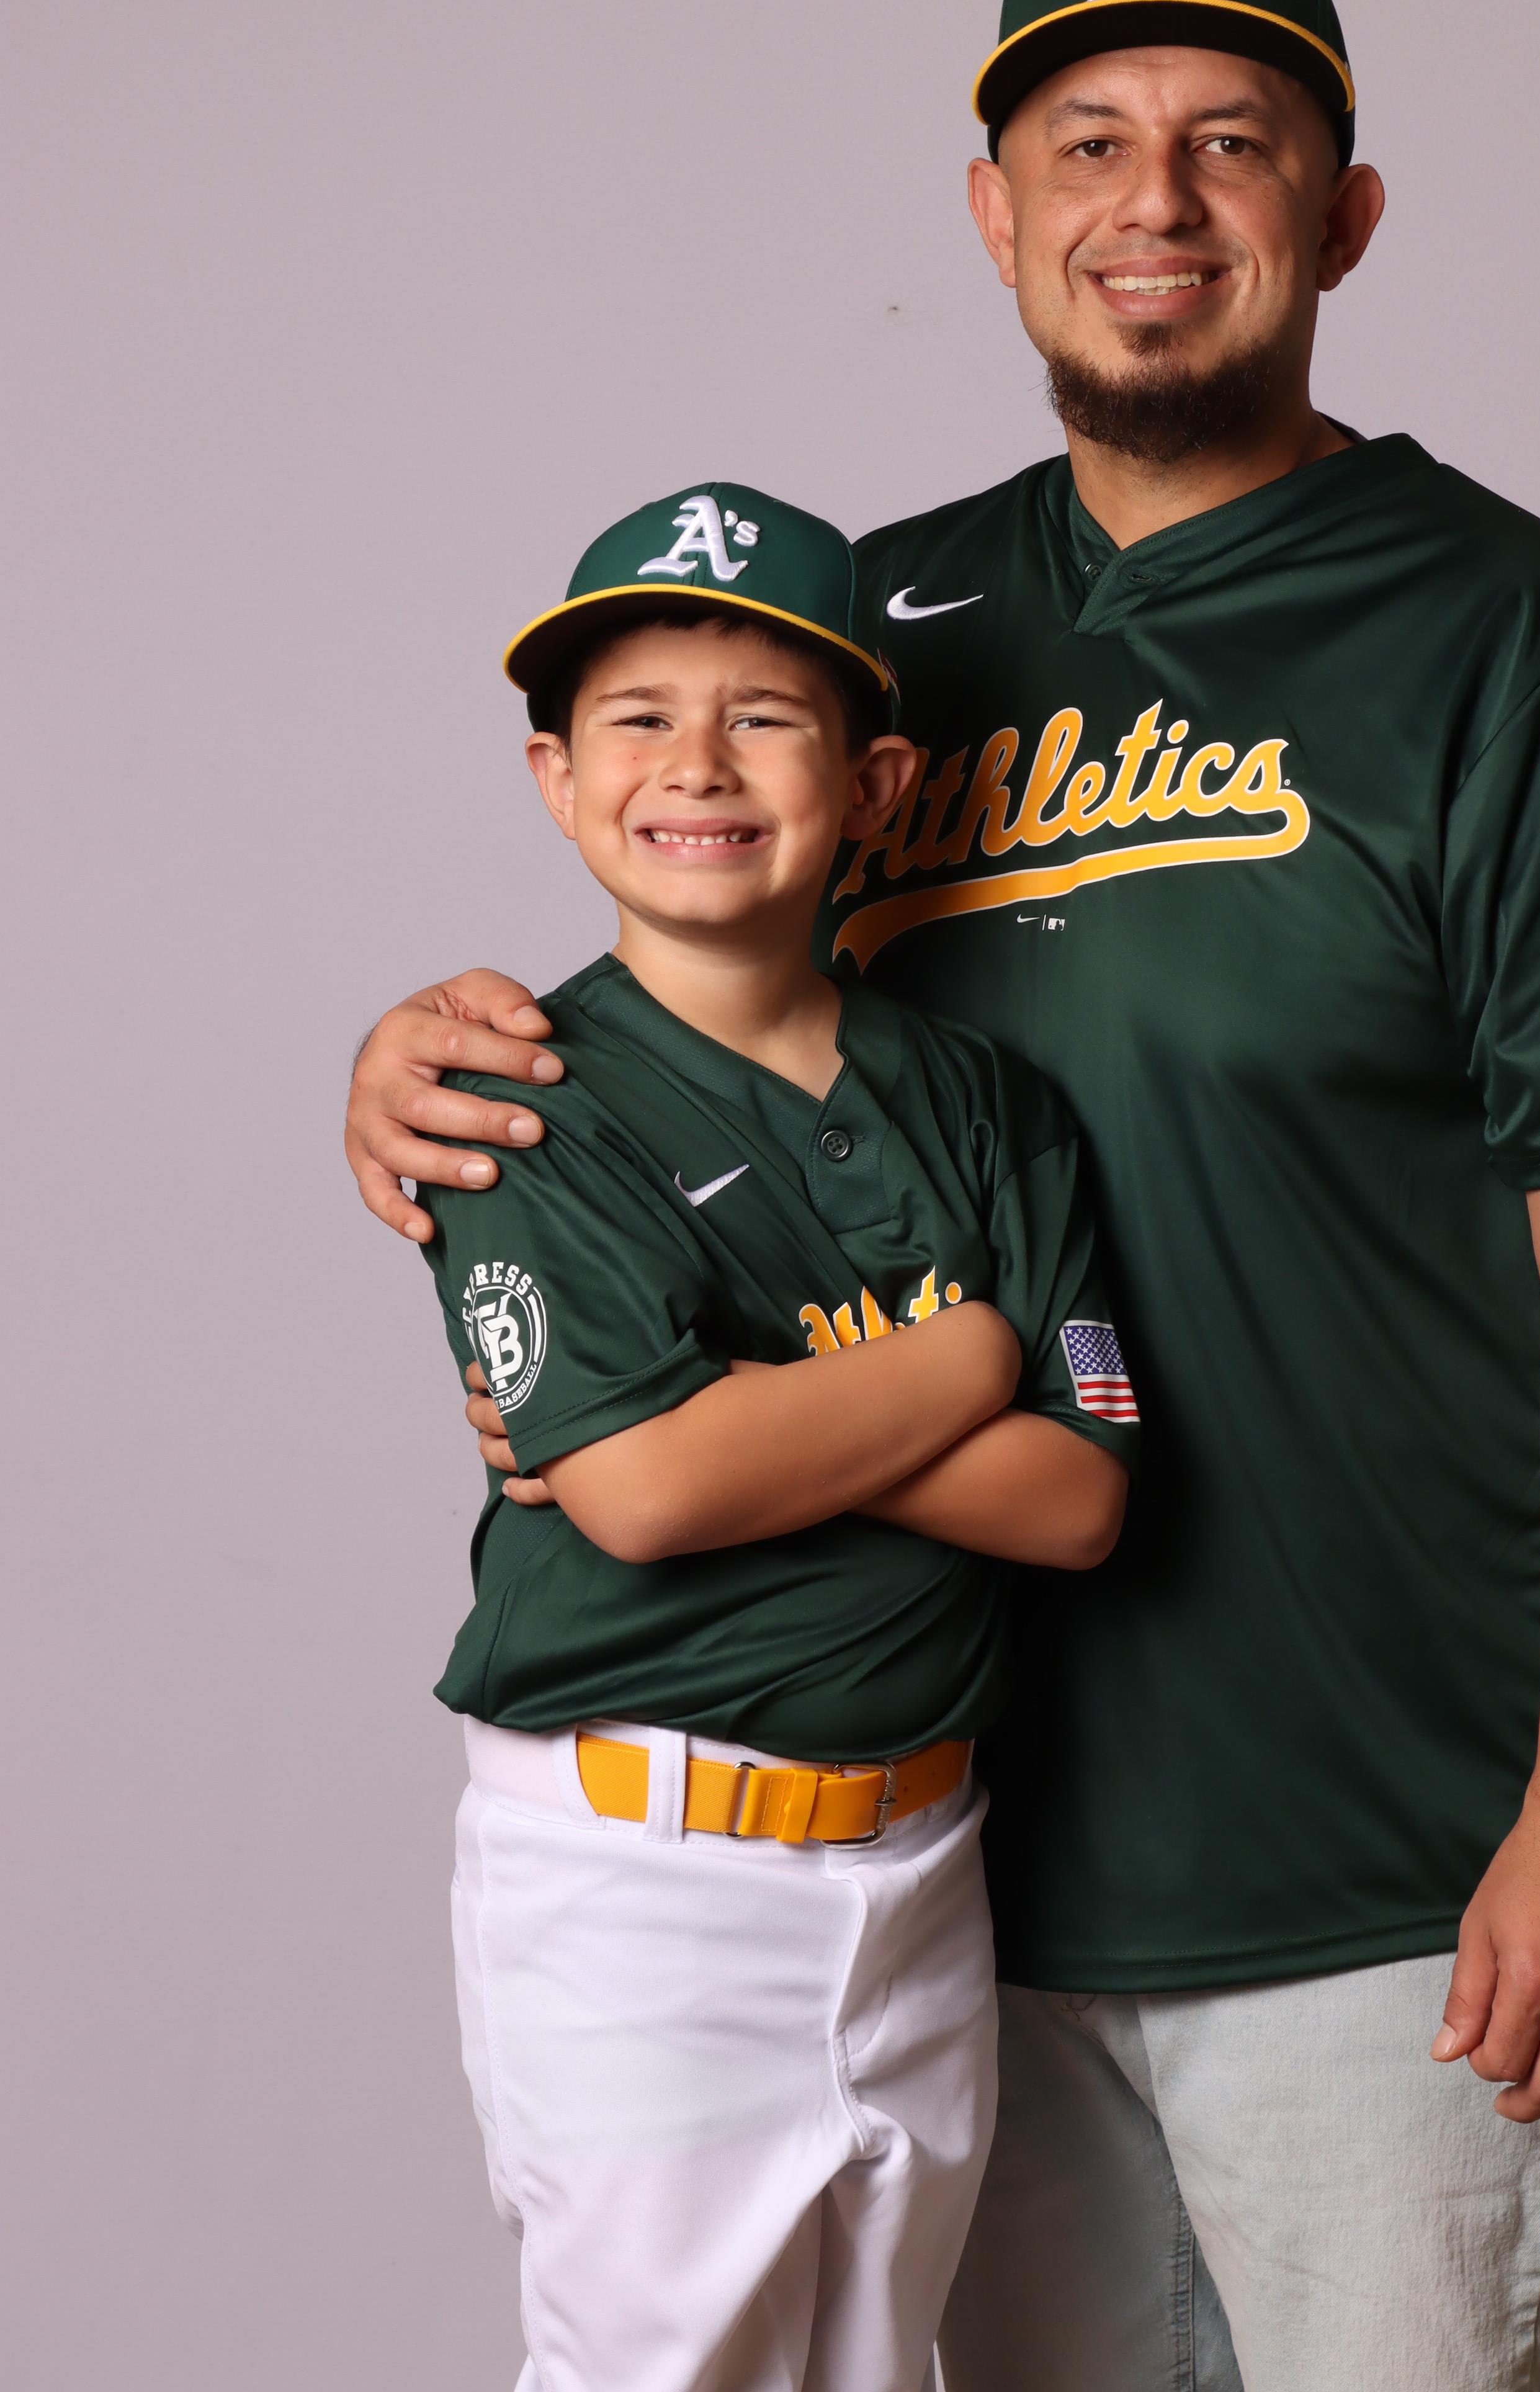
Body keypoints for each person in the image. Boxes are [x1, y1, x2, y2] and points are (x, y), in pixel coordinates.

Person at [348, 0, 1540, 2392]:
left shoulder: (1516, 642)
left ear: (1344, 213)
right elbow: (687, 1013)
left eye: (1236, 142)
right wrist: (424, 1056)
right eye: (1089, 143)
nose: (1158, 201)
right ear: (993, 212)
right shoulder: (872, 645)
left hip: (1380, 1872)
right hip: (929, 1869)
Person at [411, 481, 1137, 2392]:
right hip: (643, 1866)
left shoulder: (984, 1100)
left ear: (874, 782)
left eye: (765, 718)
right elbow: (651, 1491)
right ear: (559, 779)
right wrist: (967, 1350)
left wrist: (751, 1402)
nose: (698, 766)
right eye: (638, 719)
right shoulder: (515, 1094)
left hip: (927, 1860)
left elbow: (1078, 1499)